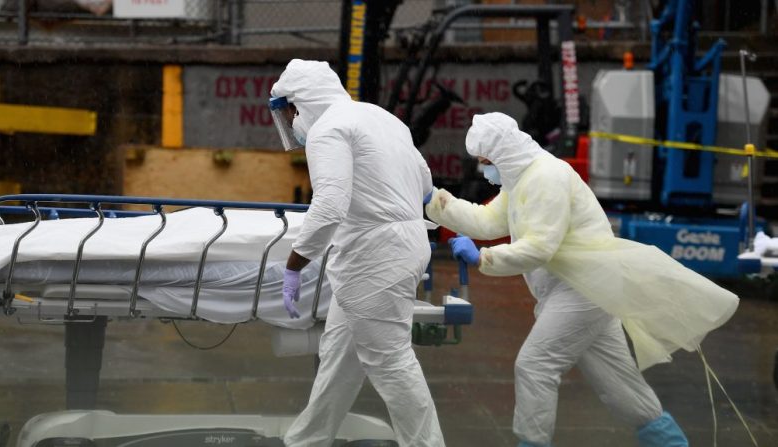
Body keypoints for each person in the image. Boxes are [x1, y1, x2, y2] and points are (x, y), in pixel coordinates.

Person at [425, 112, 740, 447]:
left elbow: (540, 247)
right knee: (620, 384)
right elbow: (489, 221)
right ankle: (669, 442)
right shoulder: (521, 177)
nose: (484, 169)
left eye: (486, 161)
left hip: (579, 291)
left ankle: (532, 443)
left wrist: (484, 258)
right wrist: (437, 203)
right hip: (587, 289)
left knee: (535, 365)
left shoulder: (546, 176)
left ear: (502, 153)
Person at [269, 59, 444, 447]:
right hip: (404, 243)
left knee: (390, 361)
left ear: (303, 101)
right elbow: (426, 184)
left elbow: (330, 204)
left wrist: (295, 264)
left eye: (292, 110)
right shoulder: (380, 117)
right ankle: (308, 439)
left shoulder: (328, 130)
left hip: (374, 256)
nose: (293, 120)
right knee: (339, 357)